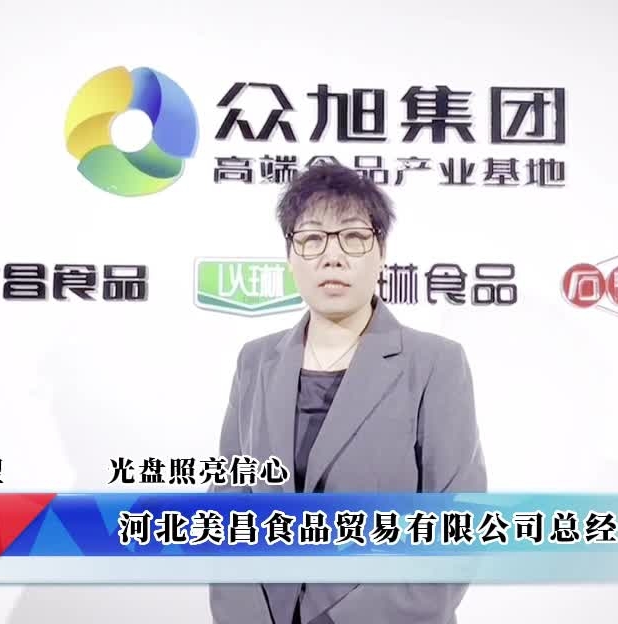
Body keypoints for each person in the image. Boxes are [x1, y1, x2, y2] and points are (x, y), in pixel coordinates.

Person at [208, 162, 488, 624]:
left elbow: (459, 522)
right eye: (312, 238)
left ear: (381, 253)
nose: (332, 257)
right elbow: (225, 511)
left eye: (354, 237)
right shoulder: (255, 361)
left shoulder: (435, 362)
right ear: (290, 255)